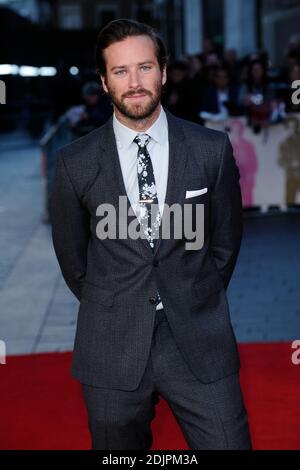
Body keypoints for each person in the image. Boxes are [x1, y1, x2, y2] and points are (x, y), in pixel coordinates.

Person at [50, 19, 252, 450]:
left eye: (144, 67)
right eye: (121, 71)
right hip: (112, 343)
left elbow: (225, 242)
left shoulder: (210, 149)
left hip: (198, 338)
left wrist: (198, 292)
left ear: (163, 71)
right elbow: (73, 261)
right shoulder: (74, 163)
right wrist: (114, 301)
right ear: (104, 82)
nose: (135, 82)